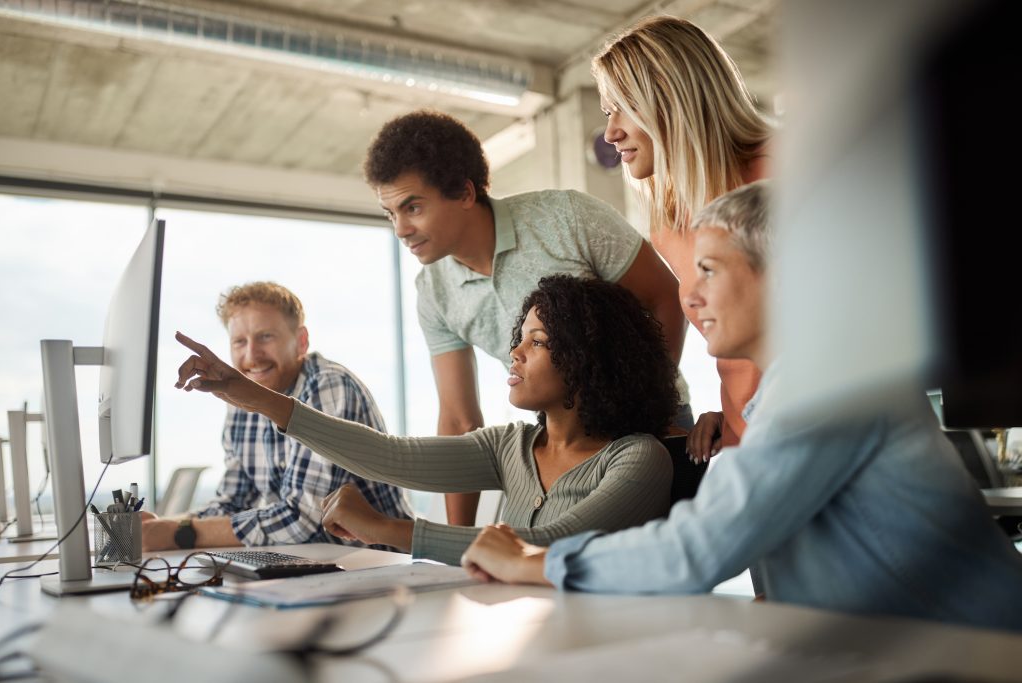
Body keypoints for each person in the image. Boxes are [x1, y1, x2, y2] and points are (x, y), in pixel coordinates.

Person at [460, 182, 1022, 633]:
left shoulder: (828, 385)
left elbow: (702, 547)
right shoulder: (793, 388)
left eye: (709, 270)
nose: (690, 296)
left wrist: (532, 562)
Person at [173, 275, 679, 566]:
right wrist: (249, 394)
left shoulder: (639, 458)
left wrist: (389, 529)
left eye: (538, 341)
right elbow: (393, 456)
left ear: (589, 359)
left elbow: (546, 546)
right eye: (519, 336)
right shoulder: (511, 447)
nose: (514, 353)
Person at [364, 110, 689, 526]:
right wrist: (456, 547)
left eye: (412, 207)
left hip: (652, 426)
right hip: (559, 443)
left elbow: (665, 298)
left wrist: (648, 412)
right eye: (390, 213)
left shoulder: (566, 217)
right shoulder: (433, 290)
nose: (401, 229)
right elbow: (460, 418)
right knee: (553, 577)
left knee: (648, 580)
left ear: (464, 193)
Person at [594, 16, 773, 461]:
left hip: (812, 442)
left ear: (671, 99)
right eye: (606, 112)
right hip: (744, 449)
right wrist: (729, 414)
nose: (611, 132)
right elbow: (738, 352)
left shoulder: (785, 170)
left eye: (623, 107)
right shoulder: (669, 222)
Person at [141, 282, 411, 551]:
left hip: (380, 564)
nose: (252, 355)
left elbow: (301, 521)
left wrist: (179, 533)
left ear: (301, 341)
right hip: (315, 563)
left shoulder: (328, 385)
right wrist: (161, 526)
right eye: (239, 342)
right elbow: (233, 502)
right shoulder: (240, 398)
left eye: (265, 337)